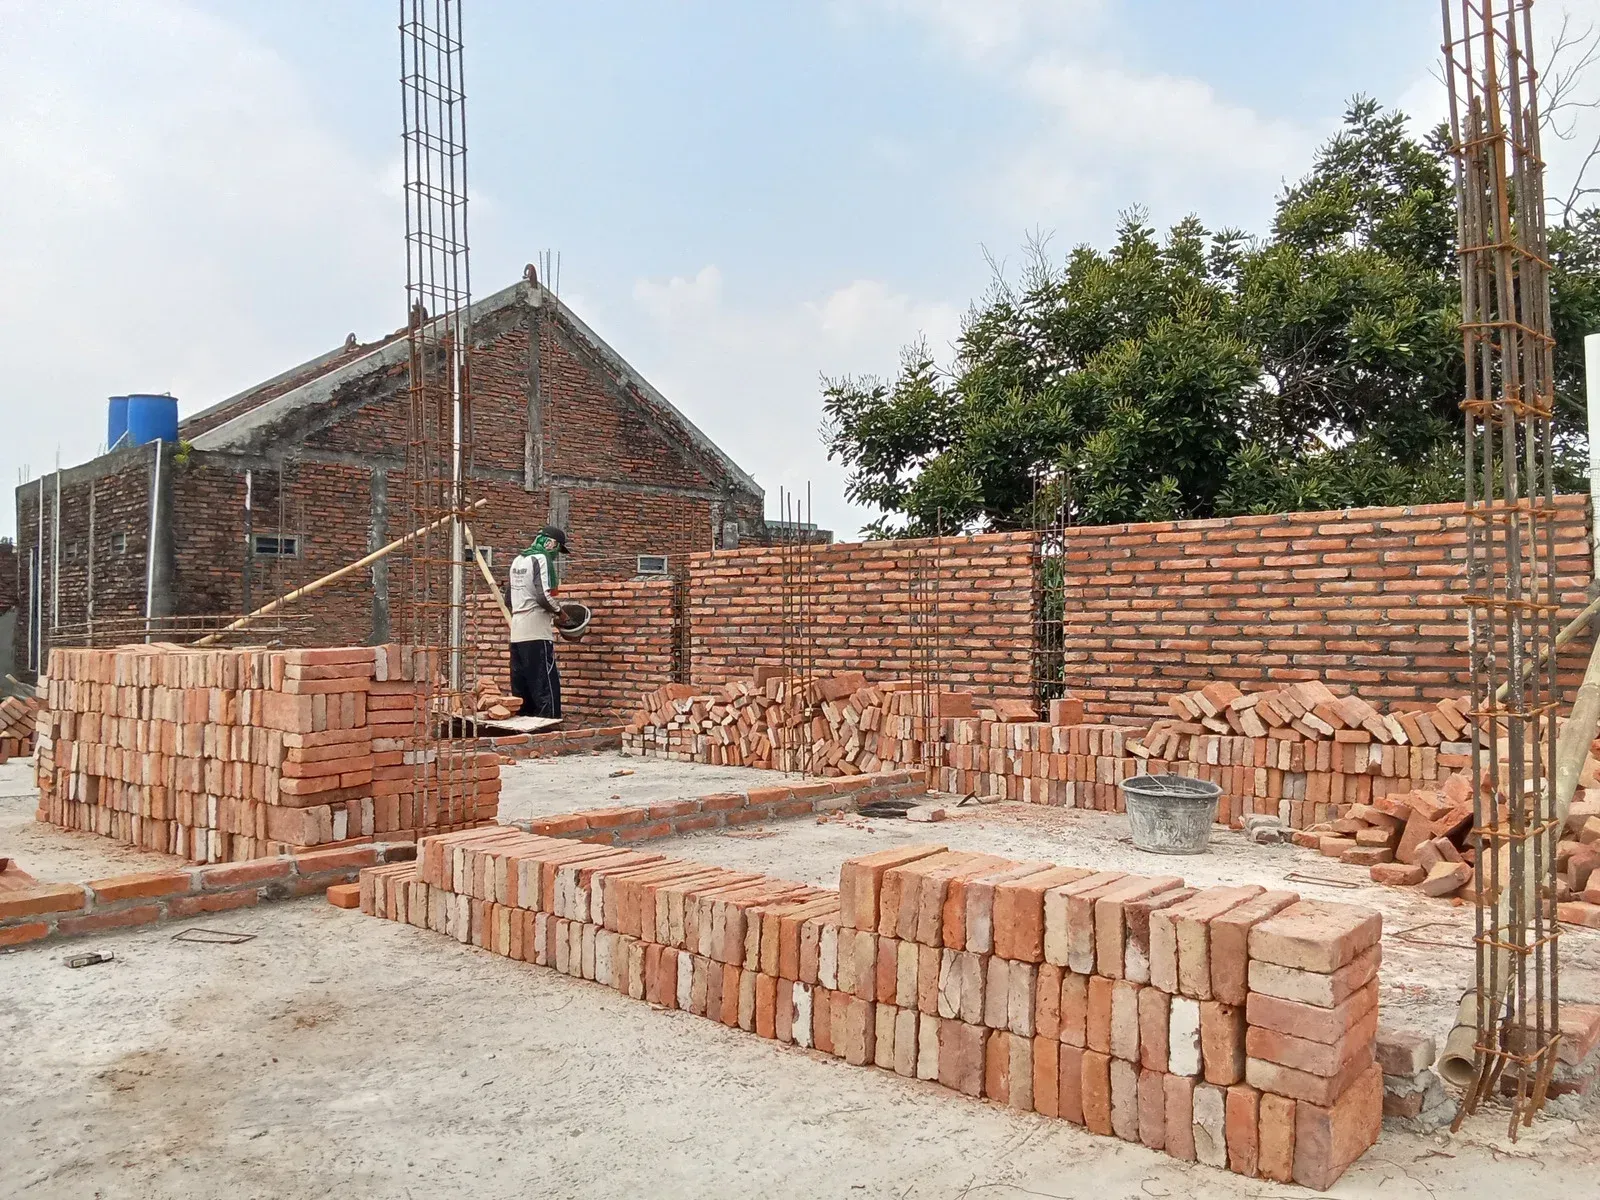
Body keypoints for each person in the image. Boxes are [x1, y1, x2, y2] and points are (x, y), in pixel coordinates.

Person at [507, 525, 569, 719]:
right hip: (536, 628)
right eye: (557, 550)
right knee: (544, 680)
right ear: (551, 543)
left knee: (522, 681)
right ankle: (547, 722)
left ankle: (525, 721)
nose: (556, 555)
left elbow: (509, 598)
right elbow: (544, 596)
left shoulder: (518, 559)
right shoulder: (540, 559)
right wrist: (560, 613)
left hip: (517, 628)